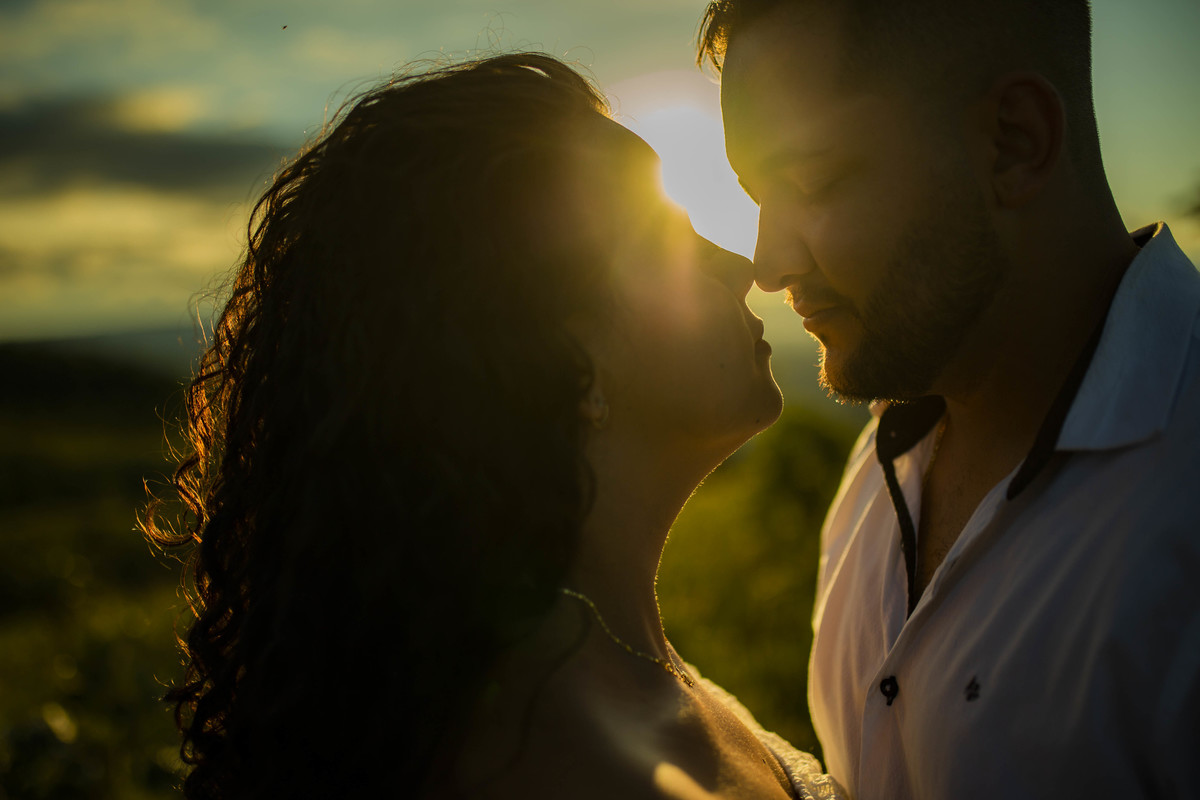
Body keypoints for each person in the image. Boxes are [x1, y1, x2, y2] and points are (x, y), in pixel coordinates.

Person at [142, 53, 847, 799]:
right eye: (666, 239)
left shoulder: (618, 666)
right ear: (563, 357)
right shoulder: (582, 769)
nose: (739, 264)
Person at [697, 0, 1200, 797]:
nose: (768, 263)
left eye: (813, 181)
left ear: (1015, 142)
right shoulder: (879, 464)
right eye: (759, 196)